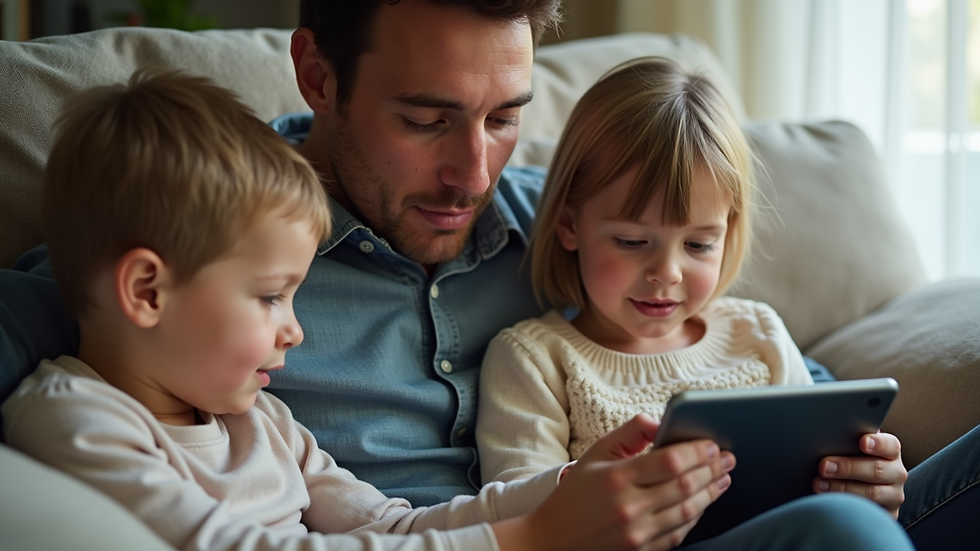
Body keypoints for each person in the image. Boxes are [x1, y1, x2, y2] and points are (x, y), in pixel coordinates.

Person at [0, 0, 972, 549]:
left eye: (504, 116)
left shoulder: (572, 222)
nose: (474, 175)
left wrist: (853, 452)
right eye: (425, 119)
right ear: (316, 73)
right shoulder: (204, 233)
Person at [1, 68, 741, 551]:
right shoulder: (73, 420)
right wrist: (528, 539)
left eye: (504, 118)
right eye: (270, 296)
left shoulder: (259, 422)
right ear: (146, 292)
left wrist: (566, 488)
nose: (295, 325)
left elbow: (392, 522)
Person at [473, 56, 976, 548]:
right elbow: (523, 525)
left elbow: (830, 473)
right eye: (631, 241)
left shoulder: (756, 331)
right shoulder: (535, 359)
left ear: (728, 233)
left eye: (697, 245)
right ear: (568, 225)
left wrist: (873, 486)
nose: (666, 273)